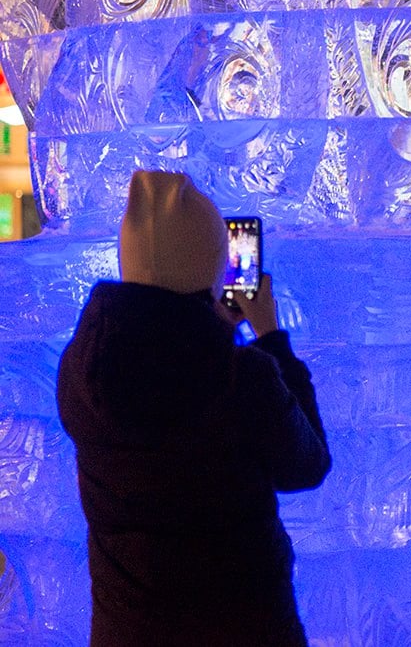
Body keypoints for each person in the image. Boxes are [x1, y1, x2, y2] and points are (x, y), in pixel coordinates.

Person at [56, 170, 331, 646]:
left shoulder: (80, 372)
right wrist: (270, 337)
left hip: (127, 631)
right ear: (210, 266)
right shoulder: (241, 375)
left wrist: (210, 326)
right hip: (245, 627)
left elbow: (162, 364)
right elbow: (306, 466)